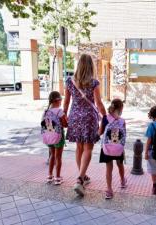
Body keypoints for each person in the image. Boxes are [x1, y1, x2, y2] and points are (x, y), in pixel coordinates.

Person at [63, 54, 106, 196]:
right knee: (88, 148)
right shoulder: (93, 83)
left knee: (79, 147)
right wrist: (106, 117)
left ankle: (83, 175)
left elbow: (66, 102)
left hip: (74, 117)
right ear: (90, 66)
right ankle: (80, 179)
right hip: (89, 118)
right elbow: (98, 103)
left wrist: (64, 115)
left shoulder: (69, 81)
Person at [99, 99, 127, 199]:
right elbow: (123, 135)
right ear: (121, 108)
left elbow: (100, 132)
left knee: (109, 168)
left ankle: (109, 190)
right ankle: (123, 181)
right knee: (120, 165)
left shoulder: (105, 118)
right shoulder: (122, 121)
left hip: (107, 147)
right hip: (118, 148)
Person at [42, 91, 68, 185]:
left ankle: (49, 175)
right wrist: (66, 119)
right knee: (58, 157)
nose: (61, 101)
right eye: (61, 99)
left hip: (49, 136)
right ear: (57, 100)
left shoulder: (46, 111)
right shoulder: (59, 111)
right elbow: (65, 125)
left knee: (52, 155)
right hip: (58, 137)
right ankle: (57, 177)